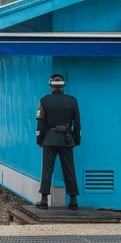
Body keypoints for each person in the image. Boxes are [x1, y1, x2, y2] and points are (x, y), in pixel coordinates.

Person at [35, 74, 81, 210]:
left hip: (49, 139)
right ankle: (73, 200)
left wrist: (39, 139)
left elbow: (40, 123)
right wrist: (76, 139)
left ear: (50, 85)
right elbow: (77, 123)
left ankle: (44, 200)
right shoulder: (72, 101)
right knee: (69, 169)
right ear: (63, 86)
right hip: (67, 139)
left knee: (47, 169)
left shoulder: (44, 101)